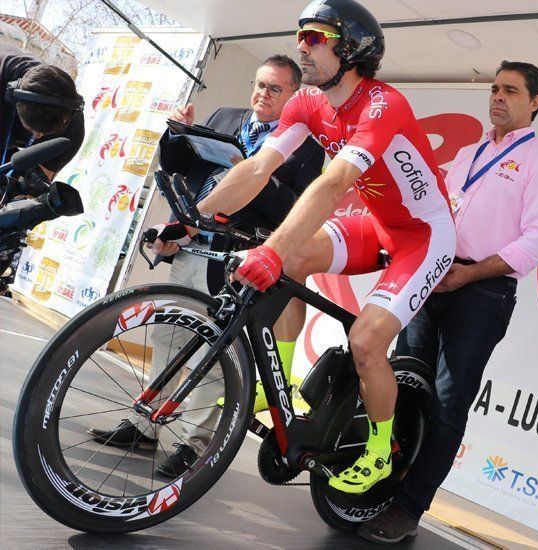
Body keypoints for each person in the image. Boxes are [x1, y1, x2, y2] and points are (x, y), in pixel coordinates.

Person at [187, 0, 455, 494]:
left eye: (315, 37)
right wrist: (190, 222)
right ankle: (281, 388)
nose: (301, 46)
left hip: (424, 235)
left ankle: (379, 450)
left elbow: (333, 184)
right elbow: (254, 169)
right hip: (377, 223)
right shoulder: (307, 102)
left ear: (350, 48)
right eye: (300, 35)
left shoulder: (383, 103)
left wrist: (269, 248)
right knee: (288, 260)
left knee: (367, 341)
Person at [357, 60, 538, 544]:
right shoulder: (468, 153)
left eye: (511, 91)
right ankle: (378, 478)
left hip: (483, 290)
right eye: (494, 88)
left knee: (447, 406)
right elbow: (434, 214)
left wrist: (470, 273)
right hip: (432, 277)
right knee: (405, 383)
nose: (498, 97)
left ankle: (408, 508)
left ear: (535, 102)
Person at [89, 55, 325, 478]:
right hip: (195, 246)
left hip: (237, 259)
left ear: (294, 95)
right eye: (259, 84)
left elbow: (294, 211)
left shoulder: (306, 147)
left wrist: (253, 175)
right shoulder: (226, 116)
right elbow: (180, 166)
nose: (262, 94)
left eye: (274, 88)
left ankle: (189, 443)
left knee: (216, 351)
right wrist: (175, 134)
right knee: (168, 333)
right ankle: (147, 421)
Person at [1, 43, 84, 180]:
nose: (38, 136)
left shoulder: (71, 126)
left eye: (46, 132)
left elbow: (41, 181)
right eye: (33, 128)